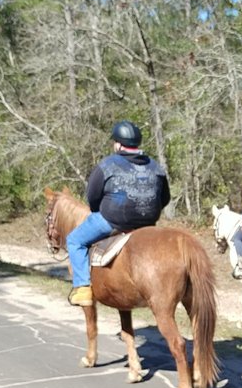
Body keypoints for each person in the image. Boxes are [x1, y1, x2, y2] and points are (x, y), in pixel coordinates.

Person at [65, 120, 170, 307]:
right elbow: (165, 198)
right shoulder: (155, 166)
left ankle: (82, 288)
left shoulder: (107, 165)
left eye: (115, 141)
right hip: (147, 224)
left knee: (74, 240)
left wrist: (99, 210)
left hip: (113, 221)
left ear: (119, 144)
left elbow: (93, 196)